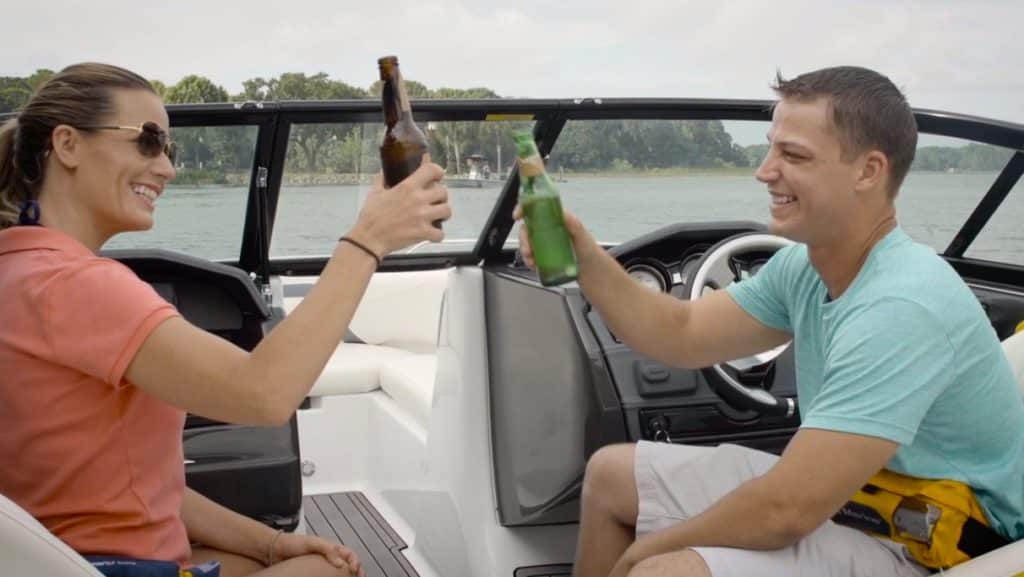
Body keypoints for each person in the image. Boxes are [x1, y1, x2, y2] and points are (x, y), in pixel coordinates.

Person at [516, 66, 1023, 577]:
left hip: (934, 545)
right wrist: (586, 257)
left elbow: (787, 511)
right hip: (863, 499)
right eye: (771, 147)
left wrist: (645, 550)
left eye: (794, 156)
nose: (764, 171)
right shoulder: (804, 266)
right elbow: (682, 333)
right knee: (609, 477)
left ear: (869, 171)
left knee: (664, 571)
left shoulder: (904, 308)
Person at [0, 63, 451, 577]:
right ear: (67, 144)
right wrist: (370, 238)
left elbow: (143, 487)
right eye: (147, 141)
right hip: (106, 565)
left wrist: (271, 546)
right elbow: (264, 394)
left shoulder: (19, 269)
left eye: (168, 149)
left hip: (63, 556)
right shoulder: (75, 285)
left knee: (285, 556)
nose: (167, 168)